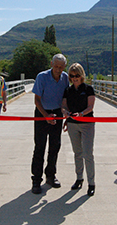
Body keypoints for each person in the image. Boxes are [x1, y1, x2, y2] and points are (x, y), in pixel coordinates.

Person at [31, 53, 69, 194]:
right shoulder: (42, 77)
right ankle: (36, 179)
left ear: (64, 67)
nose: (58, 69)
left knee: (55, 146)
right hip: (42, 113)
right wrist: (45, 115)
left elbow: (65, 98)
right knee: (40, 147)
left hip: (57, 114)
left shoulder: (65, 78)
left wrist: (65, 114)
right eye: (56, 66)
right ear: (52, 64)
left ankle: (51, 175)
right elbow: (37, 100)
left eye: (61, 67)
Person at [61, 63, 96, 196]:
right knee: (77, 153)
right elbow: (63, 106)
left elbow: (90, 106)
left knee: (88, 153)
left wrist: (82, 114)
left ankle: (91, 182)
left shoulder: (88, 89)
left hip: (87, 124)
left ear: (81, 75)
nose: (74, 78)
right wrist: (65, 113)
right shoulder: (68, 90)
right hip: (72, 124)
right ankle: (79, 178)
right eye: (72, 76)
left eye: (77, 75)